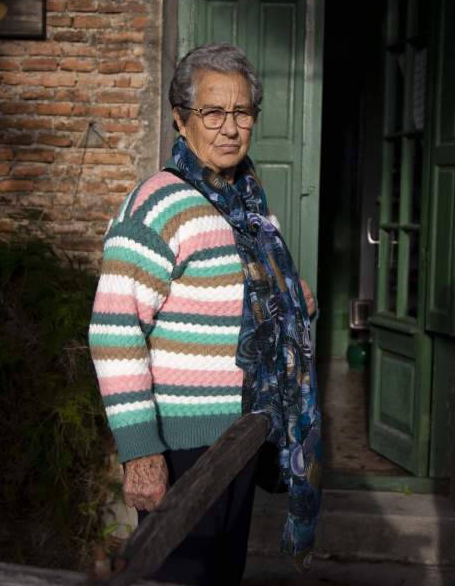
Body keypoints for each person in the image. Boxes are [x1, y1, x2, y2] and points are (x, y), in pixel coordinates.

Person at [89, 42, 322, 586]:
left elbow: (245, 302)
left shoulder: (251, 209)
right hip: (183, 446)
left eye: (243, 112)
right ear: (180, 118)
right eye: (213, 112)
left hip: (245, 434)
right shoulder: (157, 204)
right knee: (179, 576)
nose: (230, 128)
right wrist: (141, 453)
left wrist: (294, 300)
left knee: (223, 576)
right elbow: (115, 330)